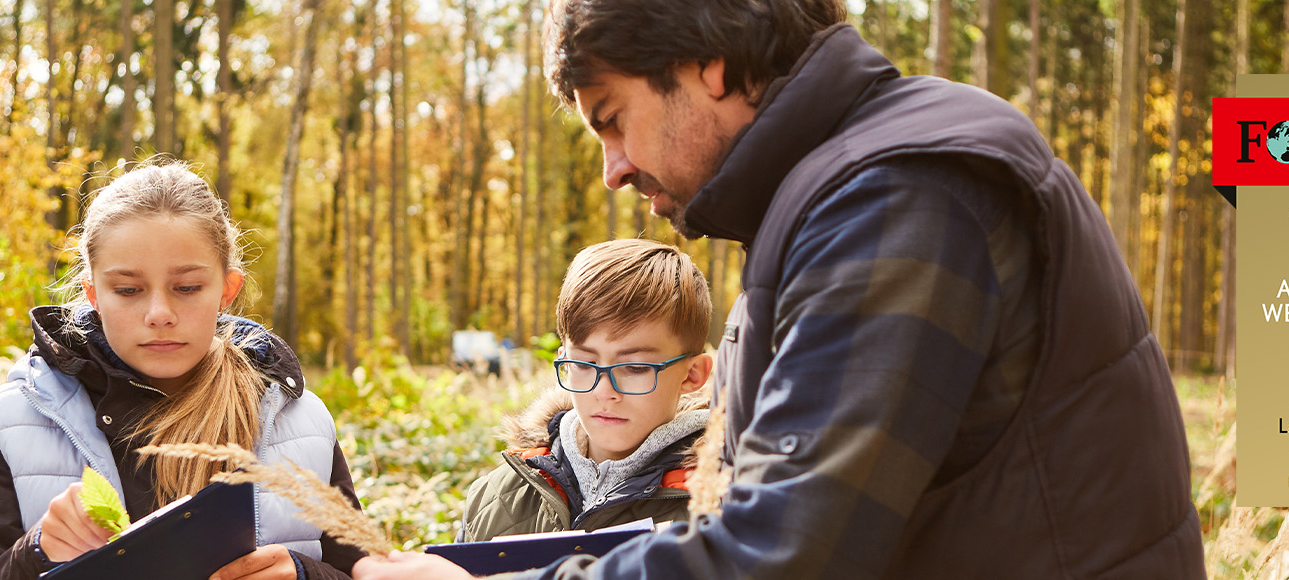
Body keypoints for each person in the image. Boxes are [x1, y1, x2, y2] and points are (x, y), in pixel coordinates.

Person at [355, 0, 1203, 578]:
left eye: (612, 117)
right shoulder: (833, 197)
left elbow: (789, 551)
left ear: (708, 64)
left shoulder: (896, 196)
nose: (613, 170)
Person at [0, 161, 367, 580]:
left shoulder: (301, 424)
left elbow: (359, 571)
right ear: (93, 293)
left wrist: (304, 573)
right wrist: (36, 553)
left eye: (186, 288)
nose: (159, 314)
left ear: (227, 290)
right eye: (128, 290)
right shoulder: (16, 421)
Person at [456, 239, 712, 543]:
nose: (604, 392)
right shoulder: (499, 496)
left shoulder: (724, 504)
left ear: (692, 374)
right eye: (583, 363)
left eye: (635, 368)